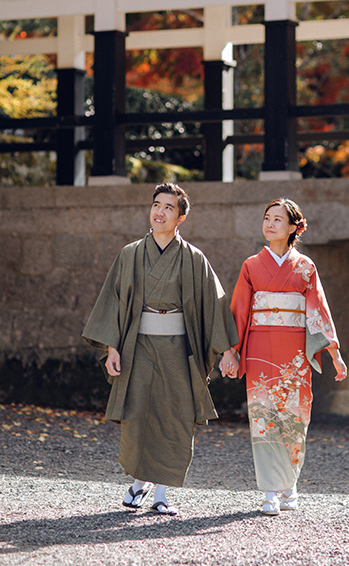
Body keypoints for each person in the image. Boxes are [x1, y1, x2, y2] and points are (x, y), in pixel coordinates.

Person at [82, 183, 236, 516]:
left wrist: (226, 350)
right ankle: (139, 483)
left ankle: (162, 493)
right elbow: (114, 302)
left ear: (181, 217)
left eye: (168, 207)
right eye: (156, 205)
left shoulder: (194, 258)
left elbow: (215, 304)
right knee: (137, 414)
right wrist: (112, 348)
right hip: (138, 345)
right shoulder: (131, 254)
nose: (160, 212)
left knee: (175, 416)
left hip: (179, 348)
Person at [219, 198, 347, 516]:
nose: (270, 223)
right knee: (263, 417)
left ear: (293, 228)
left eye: (278, 219)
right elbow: (239, 312)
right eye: (267, 218)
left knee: (293, 417)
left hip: (294, 352)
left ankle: (288, 481)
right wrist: (230, 352)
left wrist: (334, 352)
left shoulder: (305, 268)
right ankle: (269, 492)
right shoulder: (251, 266)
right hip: (261, 348)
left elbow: (318, 312)